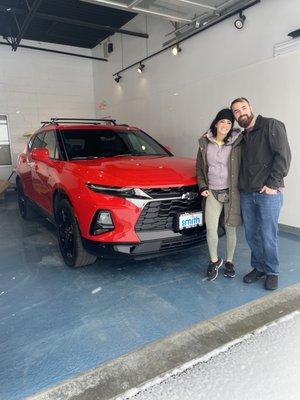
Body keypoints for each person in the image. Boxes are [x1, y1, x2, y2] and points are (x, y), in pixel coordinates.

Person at [230, 97, 291, 290]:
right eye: (236, 112)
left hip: (268, 193)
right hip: (247, 193)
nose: (241, 113)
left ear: (251, 108)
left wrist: (273, 184)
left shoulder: (271, 125)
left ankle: (272, 271)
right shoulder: (242, 136)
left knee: (268, 234)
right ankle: (259, 267)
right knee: (251, 235)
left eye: (243, 108)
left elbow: (283, 156)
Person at [196, 108, 243, 281]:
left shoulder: (238, 143)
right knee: (211, 228)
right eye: (222, 121)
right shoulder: (205, 142)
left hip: (231, 192)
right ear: (216, 123)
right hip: (212, 193)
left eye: (229, 122)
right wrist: (202, 187)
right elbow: (199, 168)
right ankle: (214, 261)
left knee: (231, 228)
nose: (225, 125)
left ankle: (230, 261)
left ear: (232, 126)